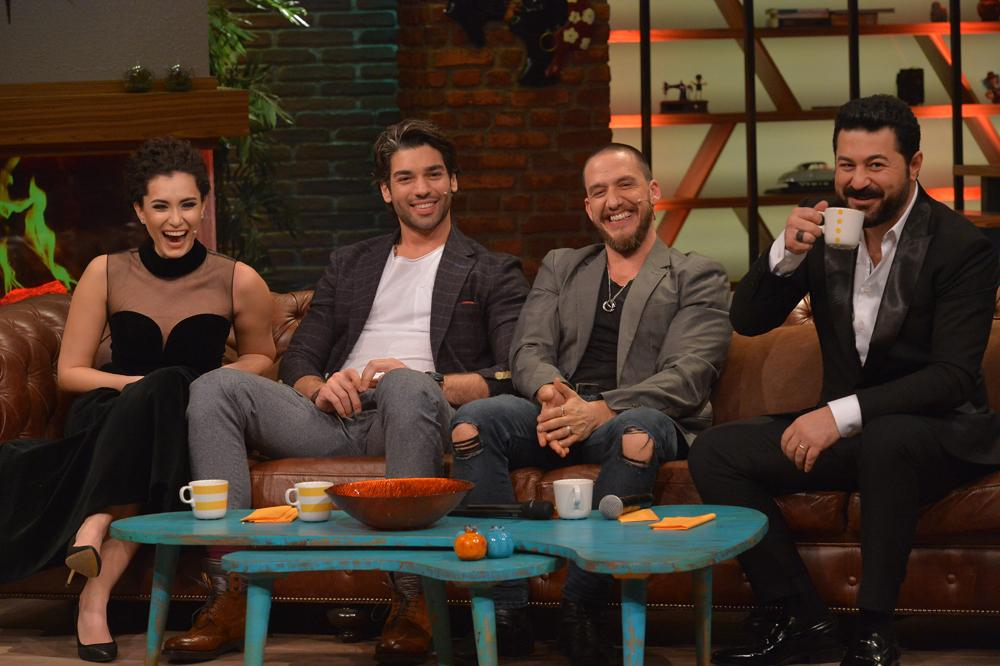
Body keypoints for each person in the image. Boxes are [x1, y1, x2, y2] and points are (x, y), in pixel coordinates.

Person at [163, 118, 528, 664]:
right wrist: (319, 387)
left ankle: (414, 602)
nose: (422, 189)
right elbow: (301, 357)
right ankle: (229, 594)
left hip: (419, 410)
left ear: (454, 181)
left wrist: (422, 379)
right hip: (338, 415)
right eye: (405, 178)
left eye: (433, 174)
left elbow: (510, 373)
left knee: (405, 385)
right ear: (386, 191)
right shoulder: (351, 263)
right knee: (217, 386)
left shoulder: (493, 270)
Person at [689, 94, 1000, 666]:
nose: (857, 182)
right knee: (715, 451)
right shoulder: (828, 231)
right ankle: (802, 618)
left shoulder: (961, 247)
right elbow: (747, 320)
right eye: (846, 164)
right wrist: (784, 253)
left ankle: (875, 628)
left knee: (886, 438)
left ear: (914, 164)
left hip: (939, 433)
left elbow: (953, 377)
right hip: (855, 434)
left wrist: (838, 414)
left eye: (876, 165)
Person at [449, 143, 732, 663]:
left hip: (640, 415)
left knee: (638, 433)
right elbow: (527, 348)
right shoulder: (562, 266)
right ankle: (506, 610)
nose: (613, 201)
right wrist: (550, 393)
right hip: (558, 409)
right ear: (587, 206)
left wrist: (600, 411)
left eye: (625, 185)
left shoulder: (696, 274)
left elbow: (689, 375)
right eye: (598, 192)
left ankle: (582, 610)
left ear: (652, 192)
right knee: (472, 424)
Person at [0, 136, 276, 663]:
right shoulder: (105, 271)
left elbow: (262, 357)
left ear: (204, 206)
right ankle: (95, 556)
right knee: (163, 388)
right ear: (139, 211)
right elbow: (70, 374)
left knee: (171, 393)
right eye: (161, 206)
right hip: (110, 411)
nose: (176, 220)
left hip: (185, 418)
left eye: (188, 204)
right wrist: (142, 387)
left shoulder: (238, 279)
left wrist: (202, 385)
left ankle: (94, 573)